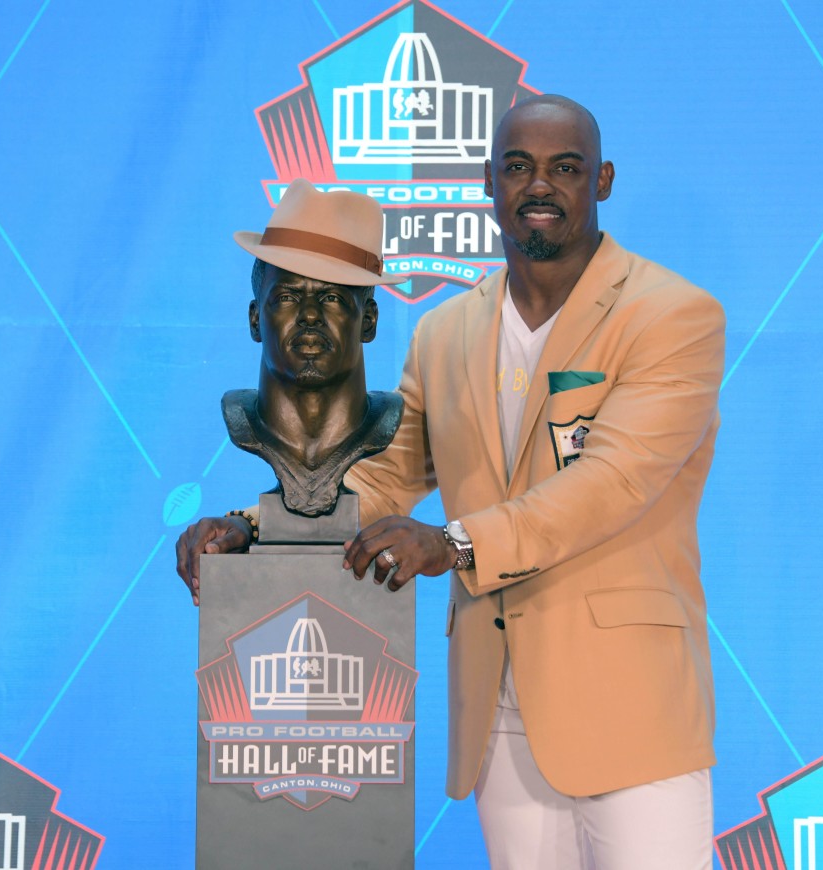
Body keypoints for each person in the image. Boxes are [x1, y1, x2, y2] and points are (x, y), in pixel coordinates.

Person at [178, 95, 725, 869]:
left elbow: (613, 482)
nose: (541, 186)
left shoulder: (672, 315)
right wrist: (253, 527)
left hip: (630, 707)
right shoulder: (446, 332)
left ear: (601, 179)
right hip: (496, 706)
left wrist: (455, 543)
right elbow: (390, 475)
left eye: (565, 168)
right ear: (489, 185)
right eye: (518, 167)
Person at [224, 178, 404, 522]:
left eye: (332, 297)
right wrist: (245, 525)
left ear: (368, 321)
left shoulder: (389, 421)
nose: (309, 315)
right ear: (255, 320)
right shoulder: (240, 419)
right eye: (288, 297)